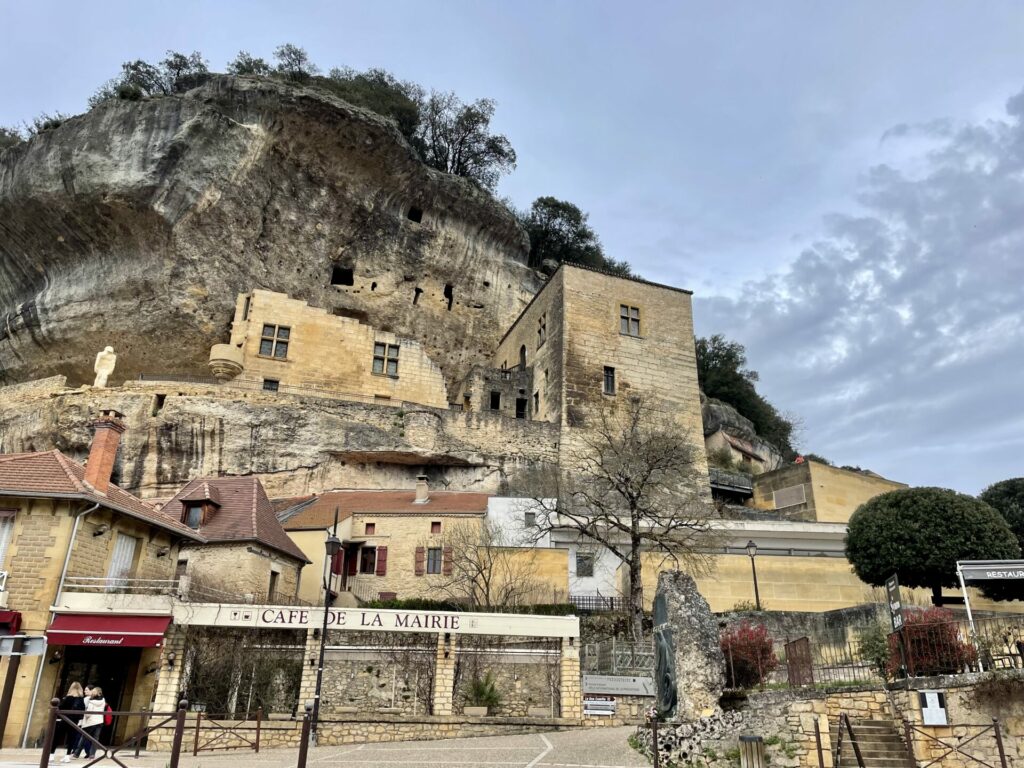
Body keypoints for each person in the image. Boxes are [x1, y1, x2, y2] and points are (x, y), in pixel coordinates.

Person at [71, 687, 106, 760]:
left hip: (90, 722)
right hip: (99, 721)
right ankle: (92, 755)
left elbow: (88, 713)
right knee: (95, 739)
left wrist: (85, 716)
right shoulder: (103, 700)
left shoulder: (91, 701)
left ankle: (76, 754)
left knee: (84, 737)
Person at [53, 683, 85, 760]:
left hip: (65, 720)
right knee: (71, 738)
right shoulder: (81, 699)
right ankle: (67, 756)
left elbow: (60, 708)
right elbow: (82, 711)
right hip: (74, 721)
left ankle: (51, 754)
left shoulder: (67, 698)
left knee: (57, 737)